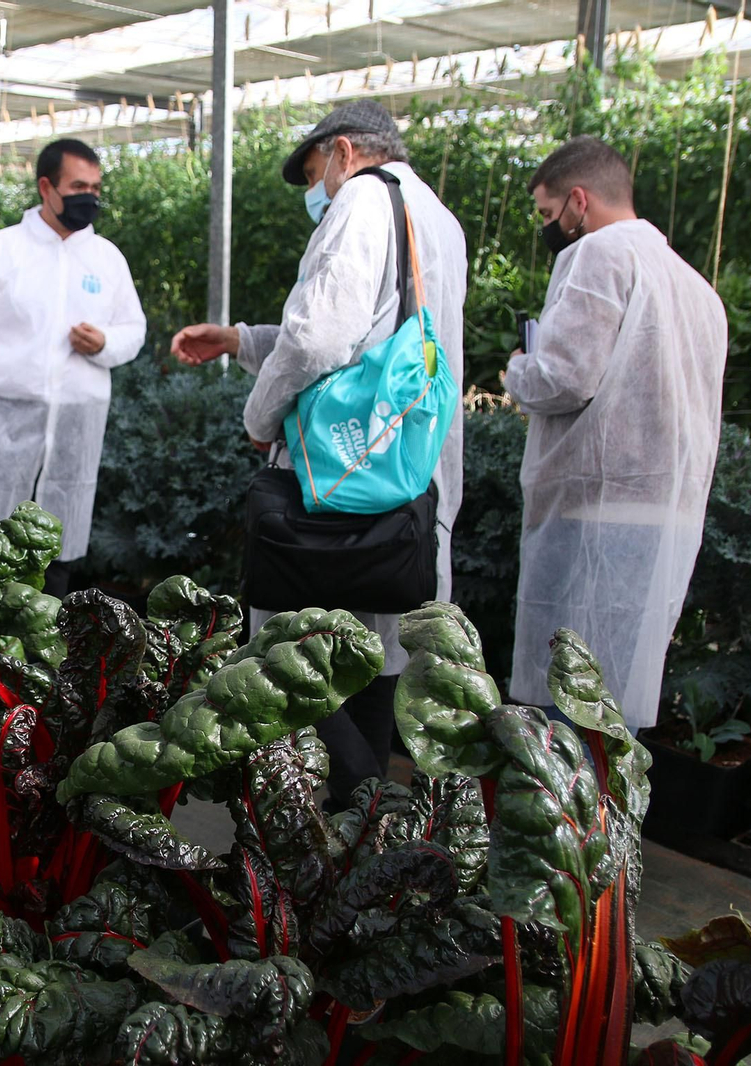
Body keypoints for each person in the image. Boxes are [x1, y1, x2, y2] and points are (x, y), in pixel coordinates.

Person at [170, 100, 467, 806]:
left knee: (300, 649)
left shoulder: (362, 198)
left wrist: (260, 415)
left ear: (342, 151)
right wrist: (241, 339)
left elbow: (318, 340)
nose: (317, 191)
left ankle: (353, 809)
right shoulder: (434, 216)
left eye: (313, 173)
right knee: (370, 649)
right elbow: (370, 341)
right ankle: (362, 824)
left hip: (339, 472)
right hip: (399, 472)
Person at [504, 136, 728, 729]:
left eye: (549, 215)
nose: (549, 229)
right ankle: (607, 822)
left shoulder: (598, 253)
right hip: (665, 513)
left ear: (579, 201)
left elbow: (562, 376)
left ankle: (566, 824)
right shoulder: (696, 287)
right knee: (613, 703)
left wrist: (517, 368)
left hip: (594, 511)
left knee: (569, 695)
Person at [0, 138, 146, 597]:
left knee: (58, 549)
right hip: (2, 420)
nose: (90, 196)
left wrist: (104, 343)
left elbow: (134, 329)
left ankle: (48, 656)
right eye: (78, 185)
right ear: (46, 187)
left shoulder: (106, 259)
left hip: (75, 425)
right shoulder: (2, 251)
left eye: (96, 187)